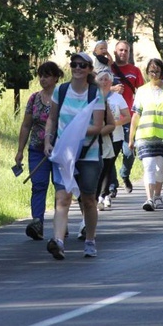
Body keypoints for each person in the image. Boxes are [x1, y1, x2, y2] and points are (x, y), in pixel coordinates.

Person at [43, 52, 105, 259]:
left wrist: (74, 131)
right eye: (74, 64)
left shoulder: (95, 94)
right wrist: (48, 142)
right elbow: (51, 118)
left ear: (89, 69)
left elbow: (97, 126)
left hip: (88, 154)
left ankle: (90, 239)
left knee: (88, 199)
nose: (77, 68)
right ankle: (59, 242)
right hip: (64, 154)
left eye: (82, 65)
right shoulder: (60, 91)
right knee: (62, 197)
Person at [15, 61, 65, 241]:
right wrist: (20, 150)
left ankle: (61, 223)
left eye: (47, 75)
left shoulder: (64, 96)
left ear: (56, 77)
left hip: (60, 149)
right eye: (41, 76)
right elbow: (26, 125)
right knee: (38, 185)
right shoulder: (34, 98)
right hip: (37, 149)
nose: (43, 79)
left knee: (61, 187)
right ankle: (37, 222)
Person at [129, 59, 163, 211]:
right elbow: (135, 115)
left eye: (157, 71)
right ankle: (149, 199)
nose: (154, 73)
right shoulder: (142, 91)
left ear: (162, 72)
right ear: (147, 72)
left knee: (160, 168)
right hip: (144, 134)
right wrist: (131, 138)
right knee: (148, 166)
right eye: (151, 71)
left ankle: (157, 195)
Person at [111, 40, 145, 193]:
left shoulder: (135, 70)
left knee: (129, 152)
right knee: (109, 154)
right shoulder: (108, 69)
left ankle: (124, 175)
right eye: (120, 50)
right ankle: (111, 186)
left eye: (126, 51)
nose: (123, 53)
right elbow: (97, 87)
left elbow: (143, 92)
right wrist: (112, 88)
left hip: (128, 118)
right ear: (114, 52)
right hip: (110, 117)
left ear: (129, 53)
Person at [95, 70, 129, 211]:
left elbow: (127, 116)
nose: (104, 82)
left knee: (109, 166)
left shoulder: (117, 98)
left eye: (106, 80)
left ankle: (104, 195)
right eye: (101, 79)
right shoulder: (93, 97)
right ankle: (97, 194)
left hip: (116, 137)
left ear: (111, 82)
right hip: (98, 137)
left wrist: (114, 124)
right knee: (99, 166)